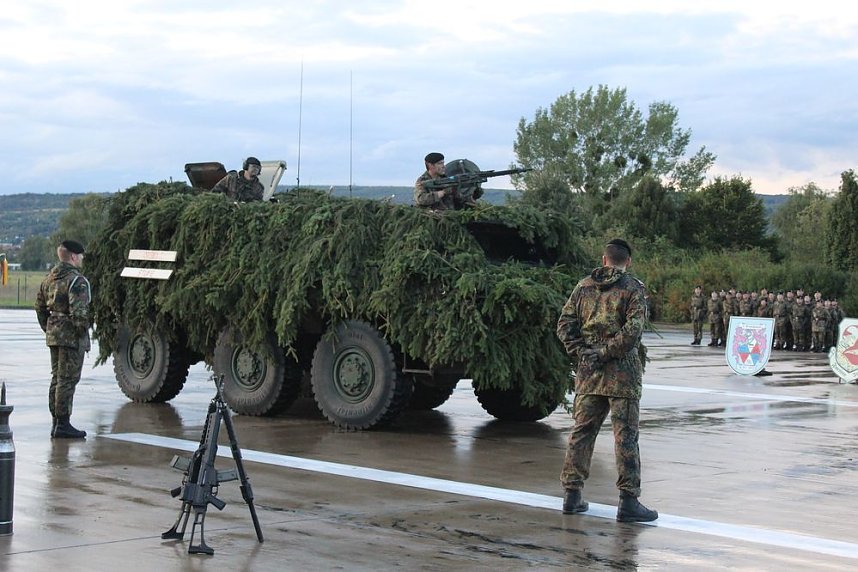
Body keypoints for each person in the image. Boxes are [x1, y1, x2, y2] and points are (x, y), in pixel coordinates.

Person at [556, 238, 658, 523]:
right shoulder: (632, 289)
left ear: (604, 260)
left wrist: (584, 353)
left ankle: (572, 496)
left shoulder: (583, 286)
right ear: (628, 261)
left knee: (582, 432)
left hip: (590, 373)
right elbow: (633, 331)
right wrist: (605, 353)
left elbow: (564, 325)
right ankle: (628, 501)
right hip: (621, 374)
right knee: (625, 436)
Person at [34, 240, 91, 439]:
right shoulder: (77, 281)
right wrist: (81, 333)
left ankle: (56, 422)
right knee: (68, 380)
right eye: (81, 256)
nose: (82, 259)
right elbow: (80, 313)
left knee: (57, 378)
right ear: (73, 257)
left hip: (54, 334)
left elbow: (39, 307)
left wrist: (49, 328)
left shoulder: (49, 278)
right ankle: (63, 423)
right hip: (71, 338)